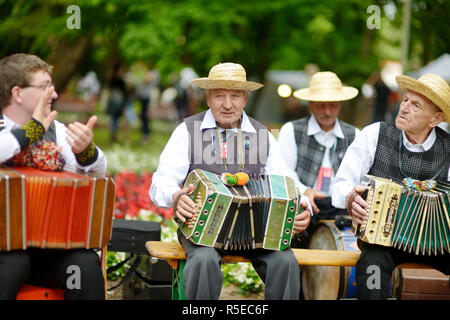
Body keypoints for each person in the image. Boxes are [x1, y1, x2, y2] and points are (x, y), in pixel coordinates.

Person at [150, 62, 312, 300]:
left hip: (258, 231)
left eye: (235, 96)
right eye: (219, 96)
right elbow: (161, 181)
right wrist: (176, 196)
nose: (227, 104)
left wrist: (301, 208)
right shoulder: (187, 131)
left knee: (285, 261)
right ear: (207, 97)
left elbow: (285, 184)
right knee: (203, 260)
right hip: (202, 229)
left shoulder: (263, 136)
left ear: (245, 98)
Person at [331, 73, 450, 299]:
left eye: (416, 105)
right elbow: (341, 185)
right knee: (371, 266)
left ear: (435, 119)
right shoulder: (375, 134)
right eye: (405, 100)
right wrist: (350, 198)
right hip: (384, 242)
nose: (404, 108)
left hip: (438, 244)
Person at [0, 53, 107, 299]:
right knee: (14, 263)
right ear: (17, 93)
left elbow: (98, 173)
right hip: (4, 255)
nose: (54, 94)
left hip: (44, 250)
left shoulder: (56, 130)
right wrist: (33, 128)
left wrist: (86, 151)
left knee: (84, 263)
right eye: (45, 87)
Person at [277, 71, 360, 246]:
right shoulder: (291, 130)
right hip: (303, 202)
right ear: (311, 104)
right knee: (290, 237)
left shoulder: (354, 134)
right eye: (321, 105)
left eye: (333, 105)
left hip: (340, 207)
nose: (327, 111)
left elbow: (357, 178)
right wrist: (304, 191)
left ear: (340, 104)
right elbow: (284, 172)